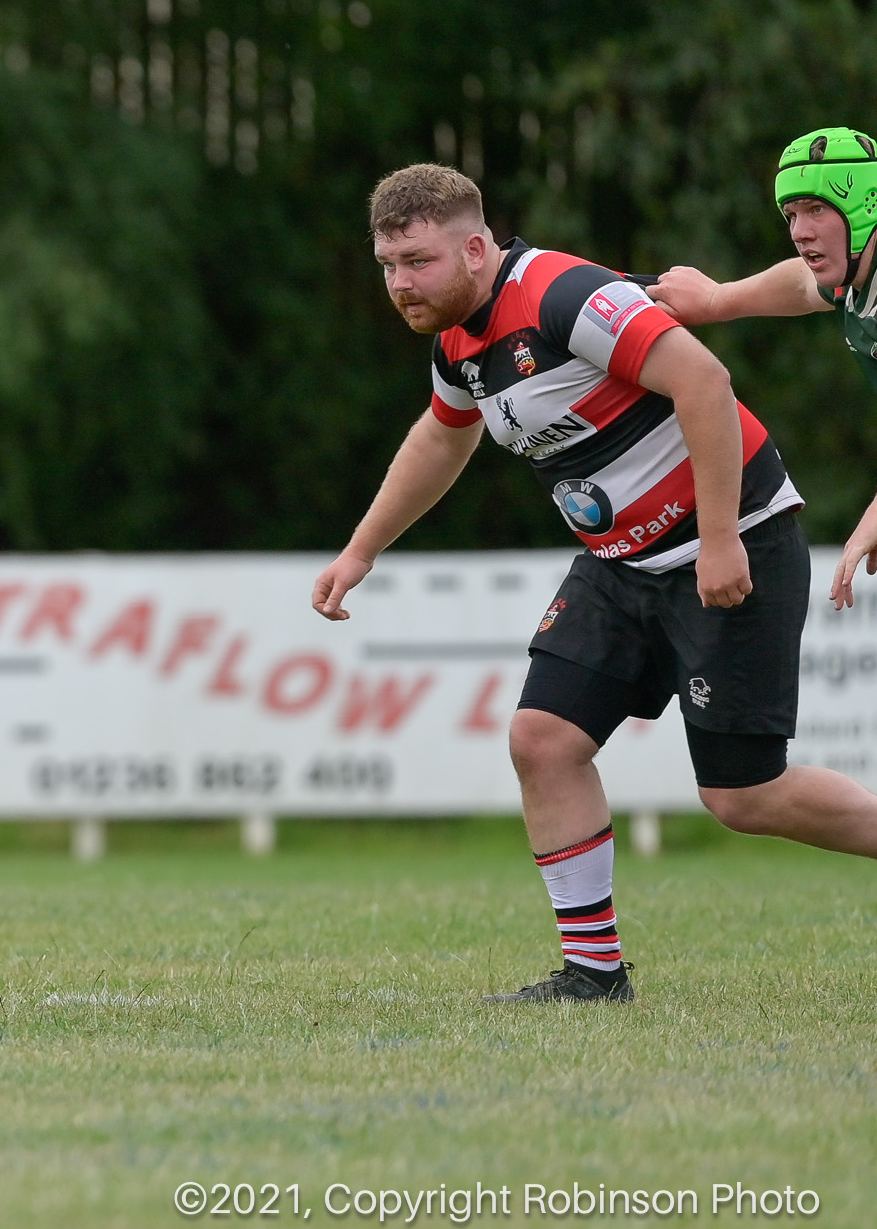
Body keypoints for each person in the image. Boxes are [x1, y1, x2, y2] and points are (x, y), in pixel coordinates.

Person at [312, 163, 877, 1003]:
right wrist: (361, 550)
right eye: (388, 264)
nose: (401, 284)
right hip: (619, 567)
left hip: (733, 544)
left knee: (743, 795)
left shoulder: (559, 295)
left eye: (418, 261)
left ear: (476, 246)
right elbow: (442, 438)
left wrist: (720, 538)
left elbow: (704, 383)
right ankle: (593, 974)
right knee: (542, 740)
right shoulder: (460, 345)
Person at [645, 126, 877, 607]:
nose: (799, 232)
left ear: (865, 204)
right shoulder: (854, 279)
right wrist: (715, 300)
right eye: (791, 214)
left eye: (816, 210)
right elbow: (800, 285)